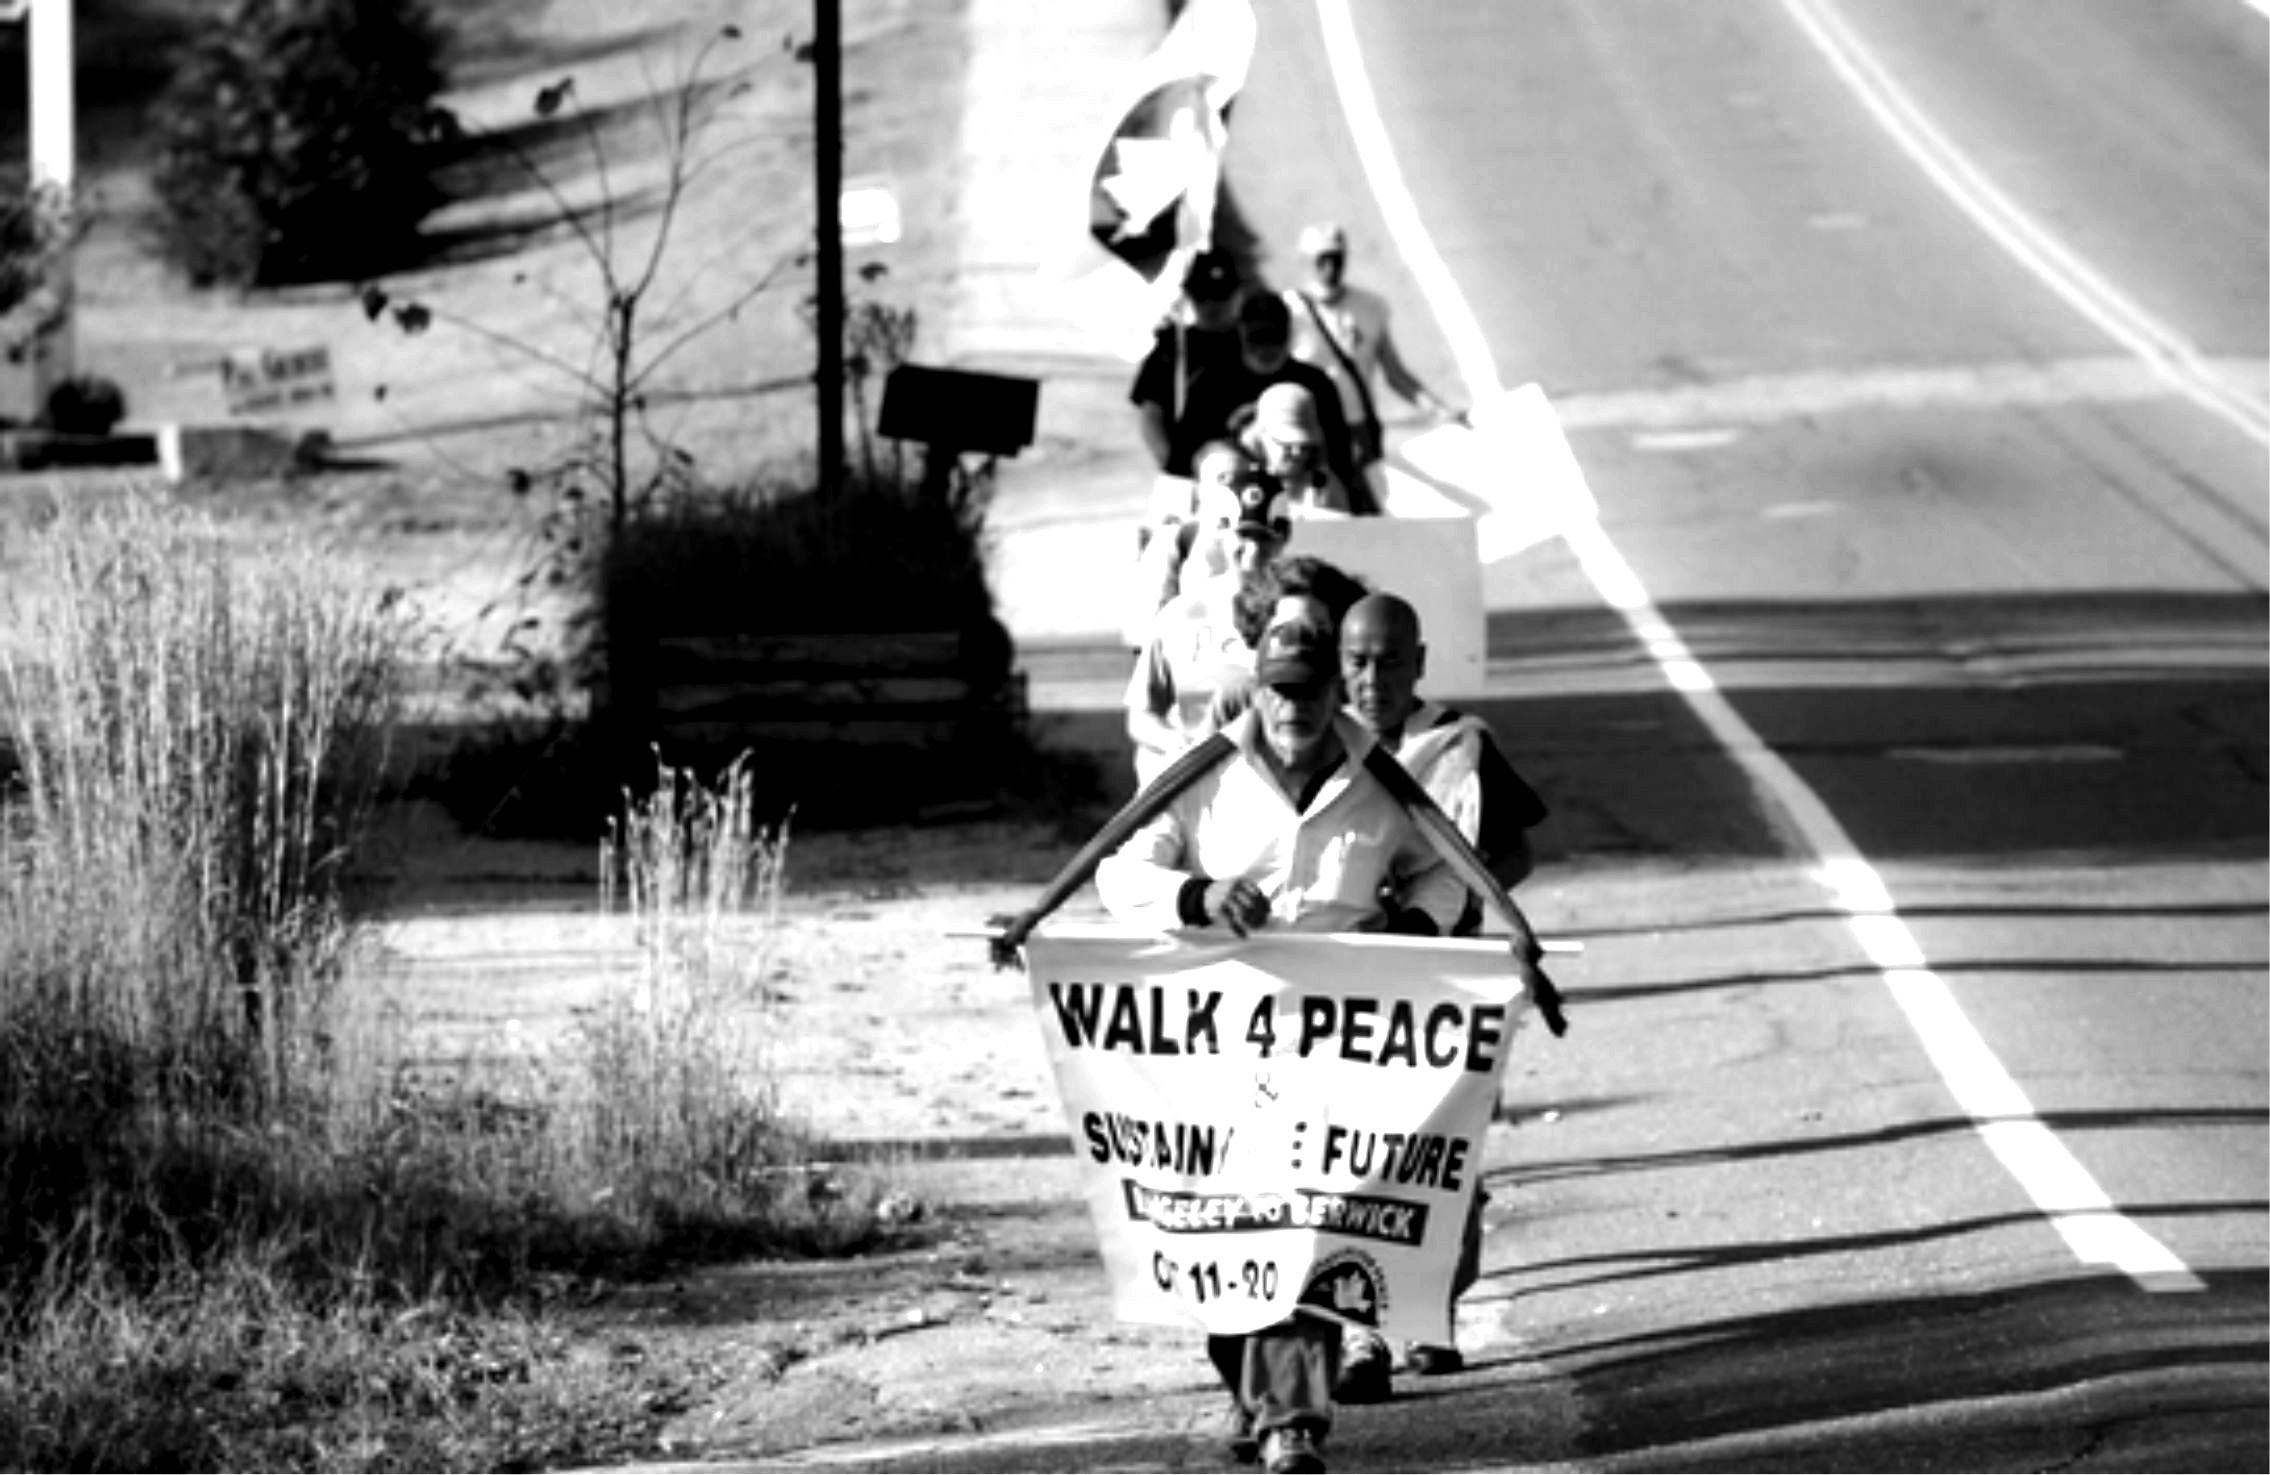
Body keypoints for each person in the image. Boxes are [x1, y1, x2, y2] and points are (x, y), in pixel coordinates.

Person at [1095, 614, 1469, 1475]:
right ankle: (1254, 1390)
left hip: (1341, 1046)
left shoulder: (1381, 784)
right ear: (1255, 690)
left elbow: (1446, 865)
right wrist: (1200, 895)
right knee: (1232, 1230)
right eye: (1277, 689)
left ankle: (1291, 1419)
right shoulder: (1203, 775)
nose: (1293, 705)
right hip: (1221, 1042)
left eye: (1309, 689)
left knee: (1307, 1221)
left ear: (1336, 691)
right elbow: (1119, 869)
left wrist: (1411, 926)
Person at [1331, 590, 1549, 1396]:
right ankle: (1365, 1333)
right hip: (1349, 991)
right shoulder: (1322, 741)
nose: (1371, 677)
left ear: (1418, 662)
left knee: (1443, 1156)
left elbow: (1517, 852)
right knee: (1356, 1154)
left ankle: (1431, 1312)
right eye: (1355, 660)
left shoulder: (1459, 744)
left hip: (1446, 983)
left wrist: (1460, 889)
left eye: (1390, 660)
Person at [1123, 470, 1291, 787]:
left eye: (1265, 538)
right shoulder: (1180, 615)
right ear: (1221, 532)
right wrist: (1181, 747)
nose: (1253, 552)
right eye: (1244, 535)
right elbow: (1141, 716)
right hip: (1196, 788)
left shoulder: (1298, 615)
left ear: (1284, 538)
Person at [1283, 221, 1467, 480]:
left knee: (1367, 510)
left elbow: (1395, 374)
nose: (1331, 267)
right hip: (1312, 431)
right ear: (1306, 260)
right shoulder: (1289, 312)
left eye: (1337, 258)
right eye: (1322, 259)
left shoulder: (1370, 308)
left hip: (1359, 430)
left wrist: (1439, 409)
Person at [1130, 249, 1249, 478]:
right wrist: (1171, 463)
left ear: (1237, 293)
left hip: (1243, 475)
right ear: (1188, 294)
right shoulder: (1171, 347)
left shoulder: (1253, 344)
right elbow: (1150, 415)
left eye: (1220, 295)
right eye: (1202, 295)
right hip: (1185, 475)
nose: (1211, 304)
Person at [1240, 384, 1353, 516]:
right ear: (1262, 436)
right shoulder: (1233, 477)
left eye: (1304, 445)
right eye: (1286, 444)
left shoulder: (1324, 486)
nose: (1297, 453)